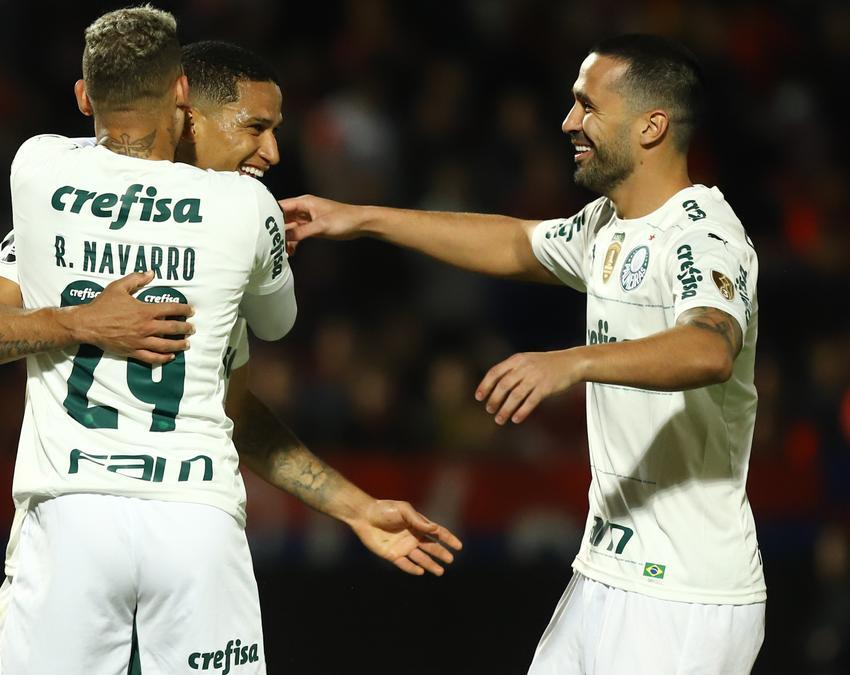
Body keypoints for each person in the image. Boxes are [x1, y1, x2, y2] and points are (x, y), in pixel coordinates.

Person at [0, 15, 458, 673]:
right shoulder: (245, 214)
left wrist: (355, 505)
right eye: (254, 129)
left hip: (75, 522)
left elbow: (230, 408)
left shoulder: (50, 189)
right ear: (184, 104)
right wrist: (83, 320)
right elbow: (275, 326)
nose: (272, 154)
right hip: (189, 524)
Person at [283, 34, 765, 674]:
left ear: (652, 126)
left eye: (587, 107)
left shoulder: (702, 233)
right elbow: (514, 243)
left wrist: (571, 361)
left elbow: (709, 349)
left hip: (682, 593)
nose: (569, 123)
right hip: (606, 571)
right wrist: (361, 218)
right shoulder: (607, 227)